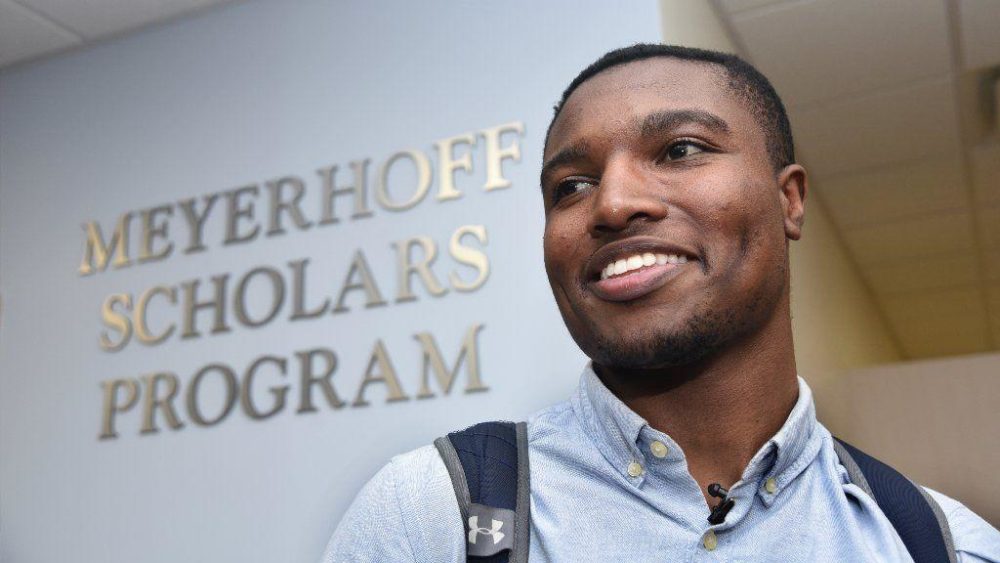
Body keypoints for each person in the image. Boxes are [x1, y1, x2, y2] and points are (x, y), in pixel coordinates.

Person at [321, 44, 1000, 562]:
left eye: (680, 150)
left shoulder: (940, 545)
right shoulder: (435, 515)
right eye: (571, 186)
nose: (612, 204)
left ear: (789, 199)